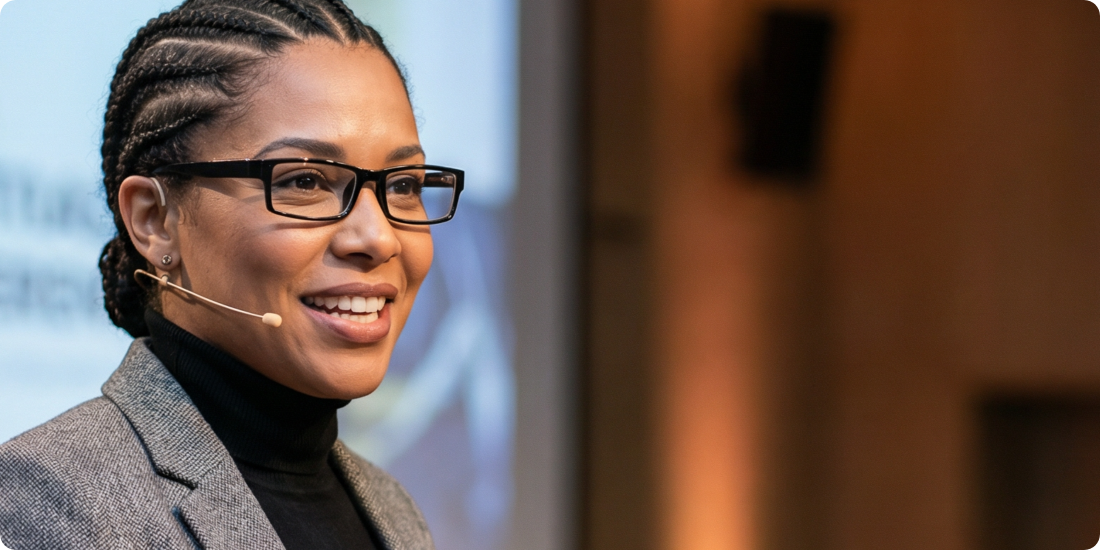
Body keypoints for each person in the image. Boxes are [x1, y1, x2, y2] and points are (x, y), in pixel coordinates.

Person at [0, 0, 463, 548]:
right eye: (306, 180)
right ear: (156, 221)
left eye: (404, 185)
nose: (378, 237)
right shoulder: (48, 500)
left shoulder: (394, 510)